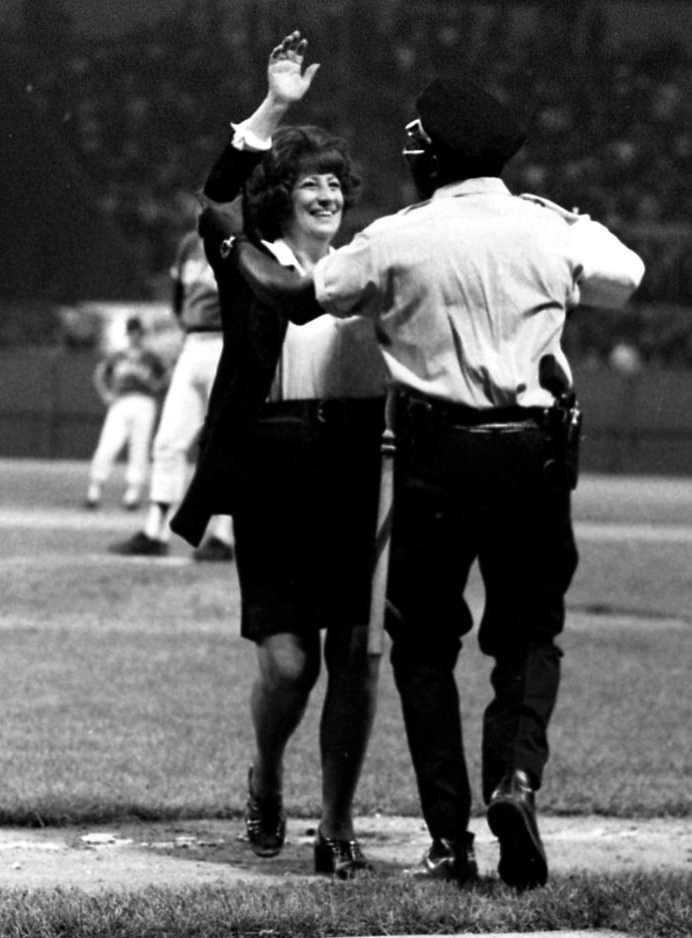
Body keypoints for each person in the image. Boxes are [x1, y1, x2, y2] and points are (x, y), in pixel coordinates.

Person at [228, 76, 644, 887]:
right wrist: (569, 229)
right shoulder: (545, 226)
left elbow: (303, 296)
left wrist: (233, 242)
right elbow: (625, 278)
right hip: (534, 453)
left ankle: (450, 838)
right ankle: (515, 781)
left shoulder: (397, 237)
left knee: (423, 648)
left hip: (437, 457)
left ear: (426, 156)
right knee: (527, 636)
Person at [172, 32, 388, 878]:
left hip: (357, 464)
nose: (329, 193)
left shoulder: (372, 266)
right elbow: (213, 195)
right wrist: (275, 108)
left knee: (357, 657)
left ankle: (336, 826)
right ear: (282, 196)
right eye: (312, 182)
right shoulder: (247, 256)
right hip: (273, 462)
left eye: (337, 182)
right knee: (290, 663)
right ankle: (267, 776)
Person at [109, 232, 236, 559]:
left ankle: (224, 536)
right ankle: (155, 532)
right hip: (192, 345)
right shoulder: (190, 244)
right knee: (167, 442)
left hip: (230, 346)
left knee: (225, 447)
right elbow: (179, 298)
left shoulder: (251, 239)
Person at [84, 317, 170, 511]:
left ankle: (133, 494)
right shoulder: (118, 356)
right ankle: (94, 490)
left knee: (139, 447)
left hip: (144, 402)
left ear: (142, 334)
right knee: (108, 445)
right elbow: (99, 374)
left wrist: (156, 386)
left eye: (137, 332)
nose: (135, 336)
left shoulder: (151, 357)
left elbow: (166, 375)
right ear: (128, 334)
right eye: (132, 332)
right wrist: (106, 394)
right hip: (121, 402)